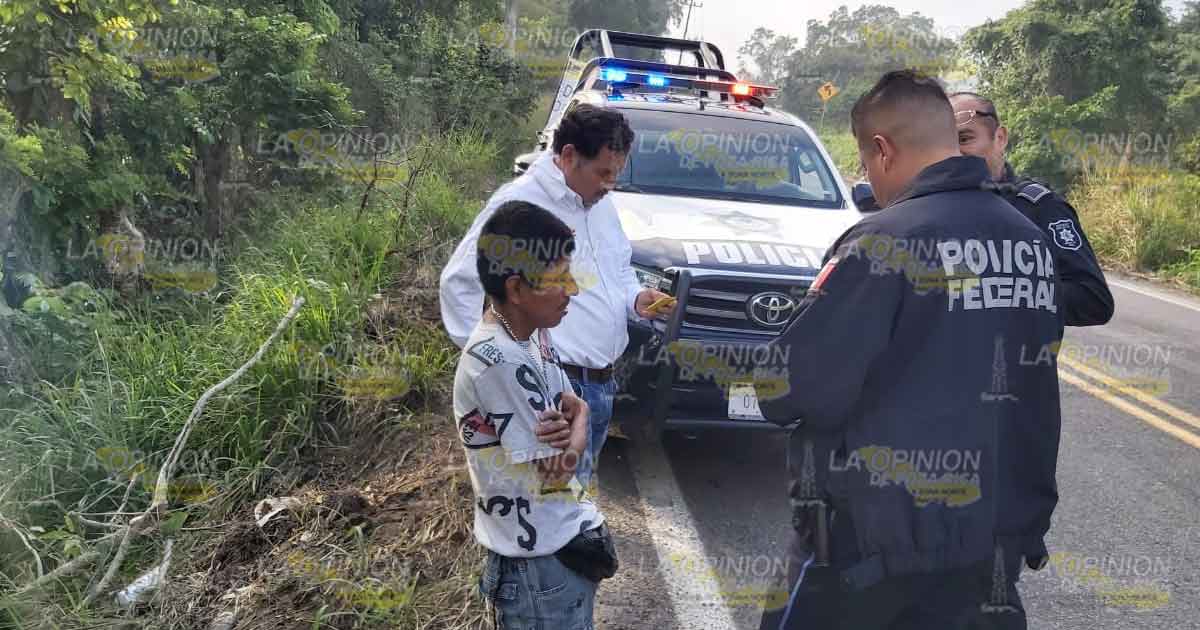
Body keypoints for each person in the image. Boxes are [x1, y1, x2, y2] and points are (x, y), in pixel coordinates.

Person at [752, 70, 1063, 630]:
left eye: (866, 161)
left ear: (882, 149)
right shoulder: (1030, 241)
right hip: (992, 548)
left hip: (872, 561)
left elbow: (791, 388)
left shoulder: (886, 239)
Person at [440, 103, 674, 491]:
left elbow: (617, 270)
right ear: (568, 156)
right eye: (603, 172)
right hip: (552, 390)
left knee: (574, 500)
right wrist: (492, 371)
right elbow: (459, 282)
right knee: (549, 504)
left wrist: (636, 298)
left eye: (616, 174)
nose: (609, 184)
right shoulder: (520, 204)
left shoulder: (599, 203)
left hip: (600, 387)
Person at [455, 200, 615, 629]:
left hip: (557, 550)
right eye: (558, 279)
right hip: (536, 574)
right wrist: (580, 423)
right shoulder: (499, 361)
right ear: (516, 289)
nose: (573, 291)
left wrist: (575, 413)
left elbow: (569, 400)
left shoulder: (532, 334)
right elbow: (557, 469)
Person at [949, 91, 1114, 327]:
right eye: (947, 144)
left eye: (965, 139)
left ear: (1000, 138)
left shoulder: (1039, 208)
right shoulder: (930, 209)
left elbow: (1094, 300)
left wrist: (1010, 291)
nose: (956, 152)